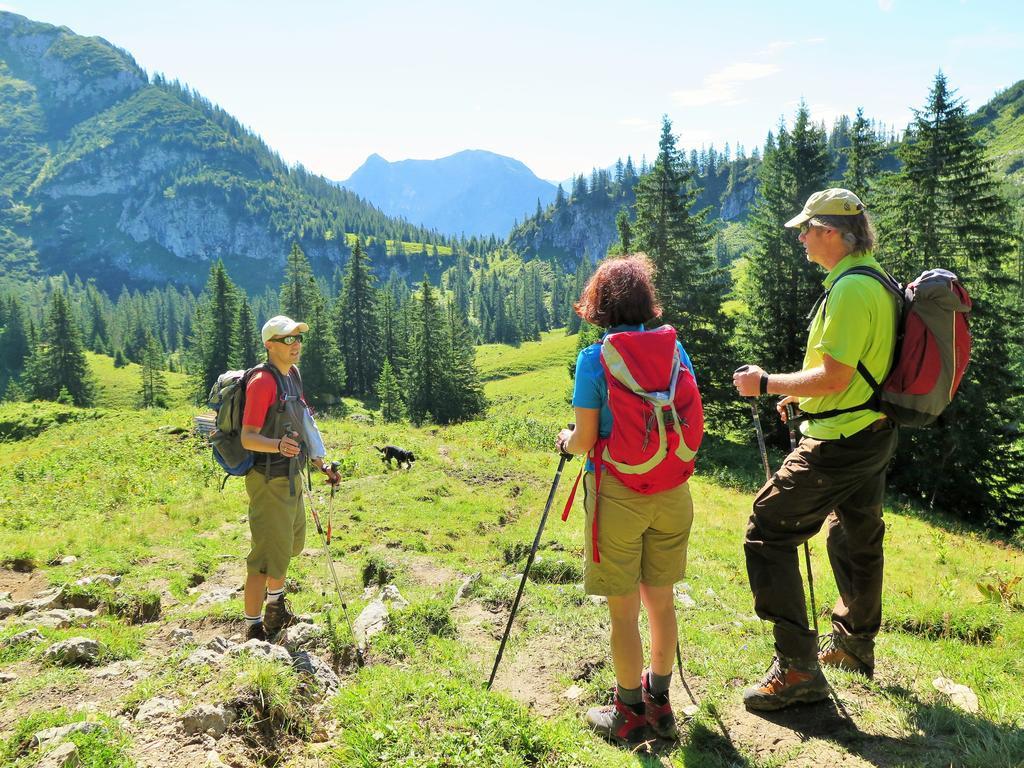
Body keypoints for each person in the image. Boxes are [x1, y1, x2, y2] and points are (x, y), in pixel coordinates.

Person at [733, 188, 899, 711]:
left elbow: (834, 375)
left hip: (839, 442)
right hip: (872, 428)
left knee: (767, 529)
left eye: (807, 229)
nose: (801, 237)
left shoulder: (851, 291)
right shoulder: (878, 280)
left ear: (832, 232)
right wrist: (799, 398)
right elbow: (856, 377)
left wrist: (767, 384)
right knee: (855, 534)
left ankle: (798, 669)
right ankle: (853, 645)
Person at [556, 254, 697, 746]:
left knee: (623, 611)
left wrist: (565, 438)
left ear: (599, 304)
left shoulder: (595, 359)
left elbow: (585, 437)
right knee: (660, 601)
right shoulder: (675, 350)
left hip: (618, 493)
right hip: (673, 492)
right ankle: (661, 704)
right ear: (645, 301)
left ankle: (628, 713)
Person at [240, 315, 340, 641]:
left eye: (298, 338)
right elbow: (248, 437)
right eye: (286, 339)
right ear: (270, 345)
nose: (295, 344)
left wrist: (320, 463)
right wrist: (277, 445)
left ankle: (275, 608)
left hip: (292, 476)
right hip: (269, 481)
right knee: (266, 558)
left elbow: (305, 421)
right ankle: (254, 628)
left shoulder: (292, 375)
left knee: (291, 546)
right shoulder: (263, 383)